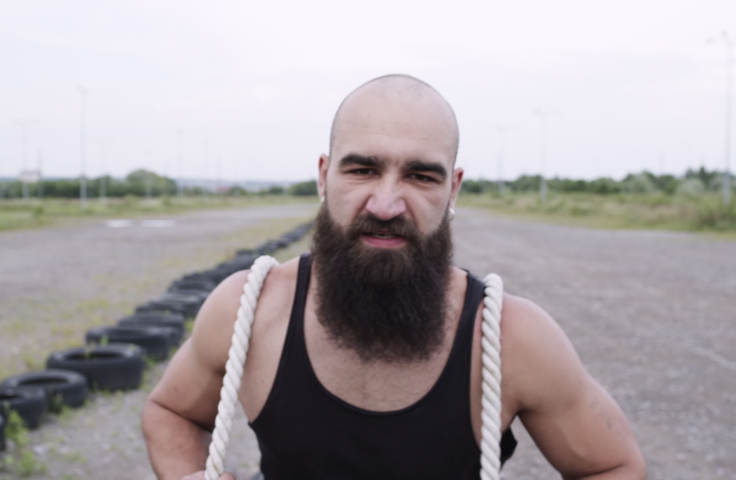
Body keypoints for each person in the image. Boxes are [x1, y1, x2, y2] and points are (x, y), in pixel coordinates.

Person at [142, 74, 646, 480]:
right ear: (323, 176)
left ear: (453, 189)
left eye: (421, 176)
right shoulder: (249, 309)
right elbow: (171, 411)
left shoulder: (510, 337)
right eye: (362, 170)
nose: (386, 205)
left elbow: (614, 466)